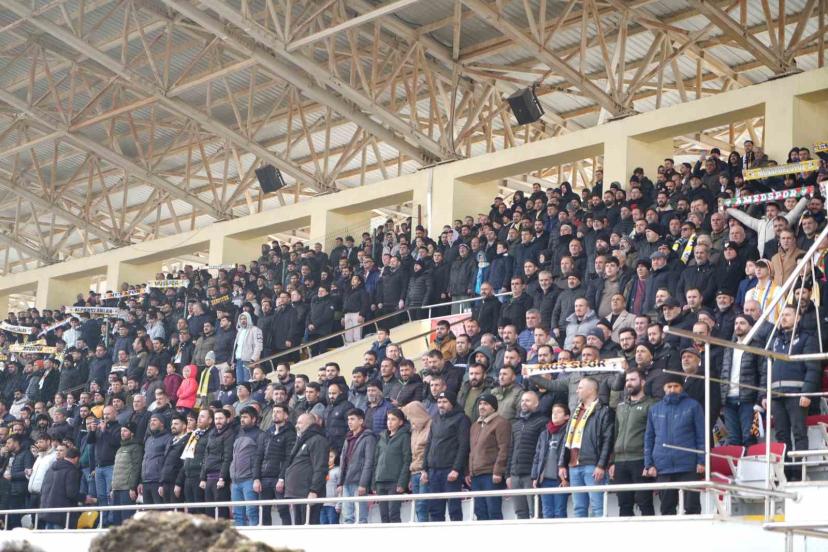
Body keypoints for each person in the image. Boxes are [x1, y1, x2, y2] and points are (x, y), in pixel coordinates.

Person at [760, 305, 821, 472]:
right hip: (776, 396)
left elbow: (813, 368)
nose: (783, 318)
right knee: (781, 435)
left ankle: (799, 473)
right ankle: (786, 474)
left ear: (798, 317)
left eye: (787, 315)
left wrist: (807, 393)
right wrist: (764, 394)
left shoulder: (807, 338)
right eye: (782, 315)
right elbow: (766, 370)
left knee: (799, 433)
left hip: (797, 394)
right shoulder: (775, 340)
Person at [644, 372, 705, 515]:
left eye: (676, 386)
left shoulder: (693, 406)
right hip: (663, 466)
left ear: (681, 387)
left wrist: (701, 461)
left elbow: (701, 435)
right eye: (669, 386)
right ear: (664, 388)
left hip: (688, 465)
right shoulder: (654, 409)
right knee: (666, 509)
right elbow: (649, 438)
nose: (672, 389)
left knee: (692, 508)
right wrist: (648, 464)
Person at [558, 377, 614, 518]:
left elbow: (608, 440)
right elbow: (567, 438)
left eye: (580, 388)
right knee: (578, 508)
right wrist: (562, 464)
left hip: (593, 465)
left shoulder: (604, 410)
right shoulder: (575, 411)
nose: (577, 391)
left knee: (598, 508)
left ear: (591, 390)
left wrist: (601, 465)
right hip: (573, 465)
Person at [611, 369, 656, 517]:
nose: (628, 383)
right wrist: (612, 462)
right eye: (627, 380)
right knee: (624, 504)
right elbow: (616, 433)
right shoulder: (620, 406)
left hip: (640, 459)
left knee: (644, 502)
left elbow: (654, 435)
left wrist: (651, 462)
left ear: (642, 382)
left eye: (632, 380)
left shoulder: (651, 404)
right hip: (620, 461)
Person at [421, 391, 470, 522]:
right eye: (439, 402)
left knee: (454, 508)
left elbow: (463, 446)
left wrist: (456, 469)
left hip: (450, 470)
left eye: (444, 402)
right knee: (434, 509)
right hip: (433, 470)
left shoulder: (462, 419)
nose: (441, 405)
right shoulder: (435, 419)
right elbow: (429, 444)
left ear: (452, 403)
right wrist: (424, 469)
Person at [467, 393, 511, 520]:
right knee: (479, 511)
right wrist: (469, 471)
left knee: (493, 510)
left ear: (493, 407)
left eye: (485, 404)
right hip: (476, 475)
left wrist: (498, 471)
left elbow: (504, 448)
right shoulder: (475, 425)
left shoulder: (501, 423)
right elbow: (471, 450)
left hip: (491, 474)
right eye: (480, 404)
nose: (481, 407)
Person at [279, 413, 329, 525]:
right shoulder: (303, 440)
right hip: (298, 494)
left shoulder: (317, 440)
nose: (296, 425)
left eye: (300, 423)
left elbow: (320, 468)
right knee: (299, 528)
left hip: (308, 493)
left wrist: (314, 491)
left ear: (309, 424)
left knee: (309, 527)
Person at [507, 390, 547, 519]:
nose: (524, 403)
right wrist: (508, 474)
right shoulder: (516, 424)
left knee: (536, 512)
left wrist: (537, 474)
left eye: (528, 400)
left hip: (531, 475)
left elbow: (543, 450)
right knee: (520, 513)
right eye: (522, 400)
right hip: (515, 475)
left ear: (536, 404)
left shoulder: (543, 422)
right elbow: (511, 449)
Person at [256, 401, 295, 526]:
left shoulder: (290, 434)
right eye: (273, 412)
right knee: (264, 512)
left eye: (278, 412)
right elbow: (259, 456)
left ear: (286, 415)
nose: (275, 414)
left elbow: (288, 458)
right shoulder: (266, 433)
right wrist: (256, 478)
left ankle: (287, 534)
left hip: (279, 479)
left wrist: (282, 478)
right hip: (264, 478)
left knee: (283, 510)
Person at [531, 403, 570, 519]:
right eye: (553, 412)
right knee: (547, 512)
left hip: (560, 480)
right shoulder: (544, 434)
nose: (555, 414)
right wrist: (535, 476)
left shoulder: (568, 432)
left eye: (559, 412)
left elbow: (568, 456)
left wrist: (567, 478)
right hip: (545, 480)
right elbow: (537, 456)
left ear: (567, 416)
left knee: (559, 512)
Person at [373, 408, 412, 523]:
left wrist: (402, 483)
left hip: (394, 481)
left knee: (393, 514)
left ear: (400, 422)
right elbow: (376, 461)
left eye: (393, 419)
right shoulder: (382, 437)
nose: (389, 422)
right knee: (384, 516)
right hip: (380, 481)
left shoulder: (405, 437)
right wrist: (373, 483)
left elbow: (407, 460)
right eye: (388, 419)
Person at [338, 408, 376, 524]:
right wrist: (340, 482)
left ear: (361, 421)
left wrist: (363, 484)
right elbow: (343, 461)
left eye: (352, 419)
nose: (349, 422)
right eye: (348, 419)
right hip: (346, 481)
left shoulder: (368, 437)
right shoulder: (348, 438)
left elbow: (369, 461)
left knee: (361, 516)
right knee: (347, 516)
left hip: (358, 481)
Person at [230, 406, 266, 526]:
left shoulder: (260, 435)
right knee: (237, 515)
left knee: (252, 513)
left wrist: (256, 478)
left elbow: (260, 458)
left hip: (250, 480)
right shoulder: (238, 434)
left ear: (254, 419)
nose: (242, 420)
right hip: (235, 481)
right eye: (241, 417)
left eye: (245, 417)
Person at [200, 408, 235, 519]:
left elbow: (228, 457)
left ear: (227, 419)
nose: (218, 421)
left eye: (221, 418)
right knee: (209, 511)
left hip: (219, 478)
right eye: (216, 419)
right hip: (209, 478)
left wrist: (222, 478)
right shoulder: (211, 434)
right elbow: (206, 456)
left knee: (221, 512)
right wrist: (203, 478)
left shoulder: (229, 434)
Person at [401, 401, 431, 523]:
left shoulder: (431, 427)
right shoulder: (414, 430)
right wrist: (410, 476)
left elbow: (431, 451)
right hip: (414, 472)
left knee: (423, 504)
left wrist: (426, 470)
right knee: (418, 506)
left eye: (409, 415)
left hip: (425, 472)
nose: (408, 419)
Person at [39, 447, 81, 530]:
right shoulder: (71, 471)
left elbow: (42, 489)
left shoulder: (50, 469)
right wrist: (85, 498)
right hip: (61, 515)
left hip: (47, 512)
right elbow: (71, 493)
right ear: (76, 459)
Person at [110, 422, 143, 526]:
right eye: (121, 431)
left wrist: (132, 487)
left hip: (127, 490)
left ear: (132, 433)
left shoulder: (136, 447)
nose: (122, 433)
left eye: (125, 431)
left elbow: (136, 467)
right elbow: (116, 470)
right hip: (116, 489)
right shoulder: (120, 449)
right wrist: (112, 488)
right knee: (116, 521)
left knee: (127, 521)